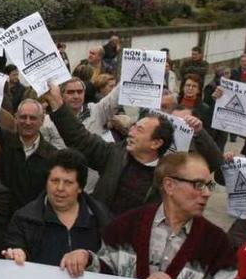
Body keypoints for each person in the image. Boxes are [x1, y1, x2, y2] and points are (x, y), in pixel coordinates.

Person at [60, 152, 237, 279]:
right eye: (198, 184)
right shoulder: (125, 226)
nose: (206, 193)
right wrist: (87, 259)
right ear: (169, 186)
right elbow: (106, 273)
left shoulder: (217, 243)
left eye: (208, 185)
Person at [42, 81, 178, 215]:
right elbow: (80, 139)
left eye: (139, 130)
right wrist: (58, 106)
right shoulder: (114, 155)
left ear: (156, 143)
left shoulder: (165, 179)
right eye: (134, 126)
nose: (131, 132)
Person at [2, 149, 111, 267]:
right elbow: (14, 249)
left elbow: (115, 263)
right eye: (54, 181)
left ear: (80, 187)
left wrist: (89, 260)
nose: (60, 188)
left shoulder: (101, 218)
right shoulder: (24, 219)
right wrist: (17, 254)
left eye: (68, 183)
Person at [0, 99, 58, 207]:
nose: (27, 122)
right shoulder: (3, 144)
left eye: (33, 118)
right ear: (16, 117)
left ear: (42, 120)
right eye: (23, 117)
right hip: (4, 214)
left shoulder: (52, 155)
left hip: (35, 218)